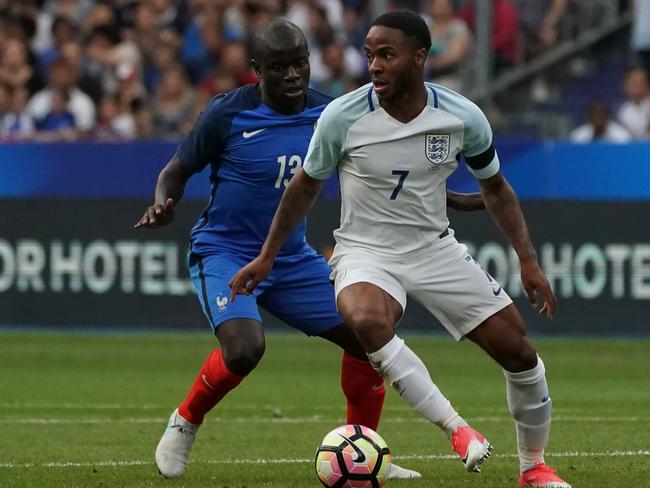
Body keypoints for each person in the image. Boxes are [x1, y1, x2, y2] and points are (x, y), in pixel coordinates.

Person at [230, 11, 572, 488]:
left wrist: (528, 260)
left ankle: (534, 468)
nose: (374, 65)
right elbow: (304, 187)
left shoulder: (461, 117)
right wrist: (267, 255)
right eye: (369, 55)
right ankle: (458, 430)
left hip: (435, 250)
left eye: (386, 55)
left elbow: (496, 188)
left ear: (419, 57)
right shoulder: (342, 117)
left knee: (520, 354)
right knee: (366, 319)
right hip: (364, 252)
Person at [135, 18, 483, 481]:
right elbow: (175, 171)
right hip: (225, 252)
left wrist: (454, 198)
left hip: (292, 258)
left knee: (367, 339)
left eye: (300, 63)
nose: (294, 75)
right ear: (257, 69)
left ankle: (362, 449)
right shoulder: (227, 114)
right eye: (279, 67)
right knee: (244, 350)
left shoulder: (332, 113)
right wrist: (164, 203)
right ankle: (185, 422)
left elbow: (383, 172)